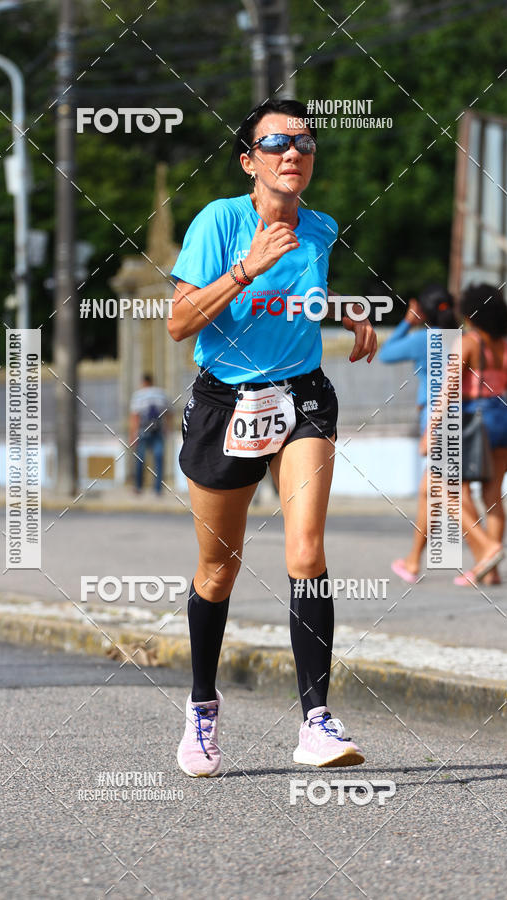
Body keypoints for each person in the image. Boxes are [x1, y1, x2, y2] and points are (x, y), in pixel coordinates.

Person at [167, 98, 377, 778]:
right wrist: (246, 268)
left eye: (305, 143)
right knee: (218, 569)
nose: (294, 153)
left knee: (307, 549)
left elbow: (295, 299)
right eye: (277, 143)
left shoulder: (321, 227)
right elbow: (179, 323)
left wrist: (342, 308)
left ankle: (316, 721)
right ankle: (202, 708)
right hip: (225, 402)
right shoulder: (220, 221)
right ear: (247, 160)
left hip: (302, 396)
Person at [379, 284, 458, 583]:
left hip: (435, 419)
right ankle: (413, 561)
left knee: (448, 494)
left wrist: (407, 321)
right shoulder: (459, 338)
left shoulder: (422, 339)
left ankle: (487, 548)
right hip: (463, 417)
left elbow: (386, 354)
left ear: (423, 311)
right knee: (433, 492)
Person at [447, 283, 507, 586]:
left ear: (470, 312)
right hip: (504, 420)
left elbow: (448, 391)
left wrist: (433, 430)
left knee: (450, 491)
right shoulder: (506, 348)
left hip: (475, 420)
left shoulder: (468, 342)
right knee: (493, 496)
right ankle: (492, 572)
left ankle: (486, 552)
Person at [129, 374, 170, 495]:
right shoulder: (161, 393)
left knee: (140, 460)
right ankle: (158, 489)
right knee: (159, 459)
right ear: (152, 381)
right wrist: (167, 428)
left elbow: (135, 417)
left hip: (142, 430)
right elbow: (169, 413)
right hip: (158, 430)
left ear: (143, 382)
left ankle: (138, 487)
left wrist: (133, 435)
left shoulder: (138, 395)